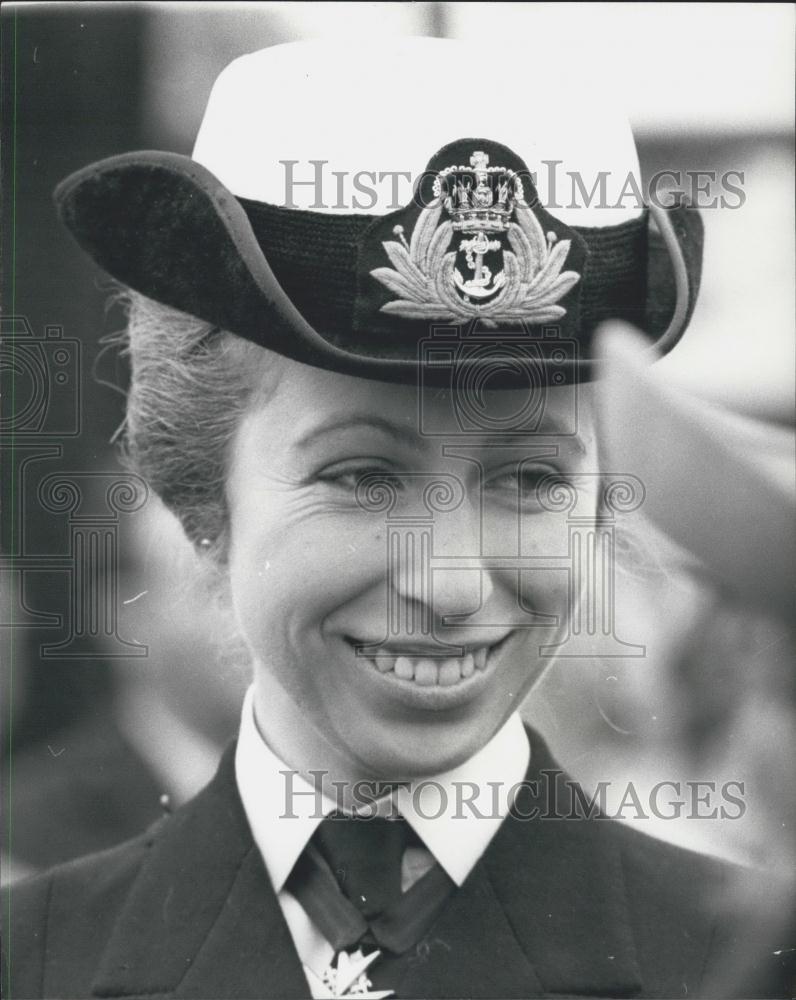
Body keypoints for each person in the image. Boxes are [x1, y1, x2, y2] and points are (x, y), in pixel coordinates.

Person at [3, 37, 789, 1000]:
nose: (452, 584)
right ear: (199, 492)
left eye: (531, 479)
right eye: (364, 476)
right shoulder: (30, 963)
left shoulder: (742, 974)